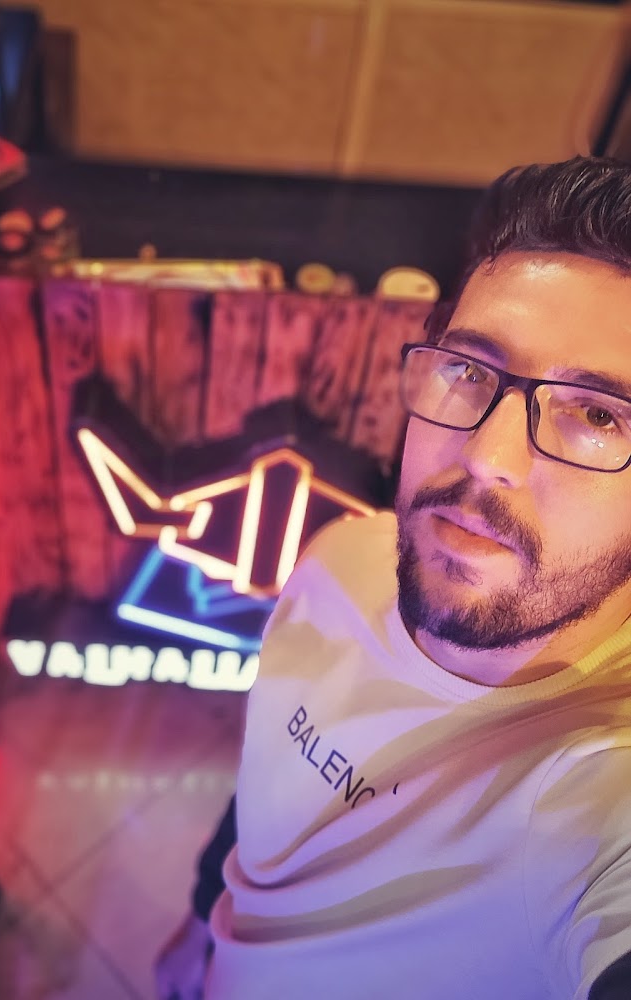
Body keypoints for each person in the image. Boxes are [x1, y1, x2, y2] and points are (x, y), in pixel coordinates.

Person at [156, 154, 631, 999]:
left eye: (597, 414)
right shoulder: (340, 555)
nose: (486, 457)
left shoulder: (596, 795)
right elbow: (272, 785)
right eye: (469, 371)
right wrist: (202, 920)